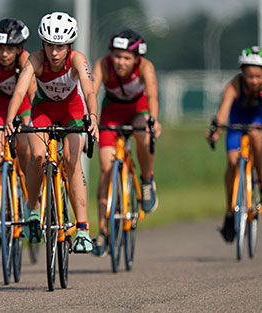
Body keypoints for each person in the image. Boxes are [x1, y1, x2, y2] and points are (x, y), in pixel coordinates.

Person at [4, 12, 99, 253]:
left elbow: (89, 91)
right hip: (43, 109)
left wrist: (94, 118)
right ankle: (32, 210)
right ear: (42, 45)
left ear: (69, 46)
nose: (54, 53)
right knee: (37, 156)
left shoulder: (78, 59)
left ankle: (82, 230)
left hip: (72, 110)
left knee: (71, 161)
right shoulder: (35, 60)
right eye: (49, 46)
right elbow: (20, 91)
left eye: (60, 47)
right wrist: (9, 120)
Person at [91, 29, 162, 256]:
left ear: (136, 59)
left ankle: (147, 180)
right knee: (105, 169)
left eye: (126, 58)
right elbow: (91, 91)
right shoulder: (103, 65)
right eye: (117, 56)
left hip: (137, 109)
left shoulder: (145, 67)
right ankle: (103, 232)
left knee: (145, 135)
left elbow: (151, 96)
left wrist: (153, 119)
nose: (120, 62)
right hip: (111, 112)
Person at [206, 46, 262, 242]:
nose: (254, 81)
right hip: (237, 120)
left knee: (256, 135)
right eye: (249, 76)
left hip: (259, 117)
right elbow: (222, 113)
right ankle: (230, 212)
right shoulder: (233, 86)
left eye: (258, 76)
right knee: (232, 162)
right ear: (242, 74)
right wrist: (216, 131)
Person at [0, 18, 36, 256]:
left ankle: (27, 193)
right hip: (0, 105)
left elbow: (33, 96)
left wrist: (30, 126)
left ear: (19, 48)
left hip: (24, 105)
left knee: (23, 147)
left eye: (9, 49)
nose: (4, 54)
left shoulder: (26, 61)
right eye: (0, 48)